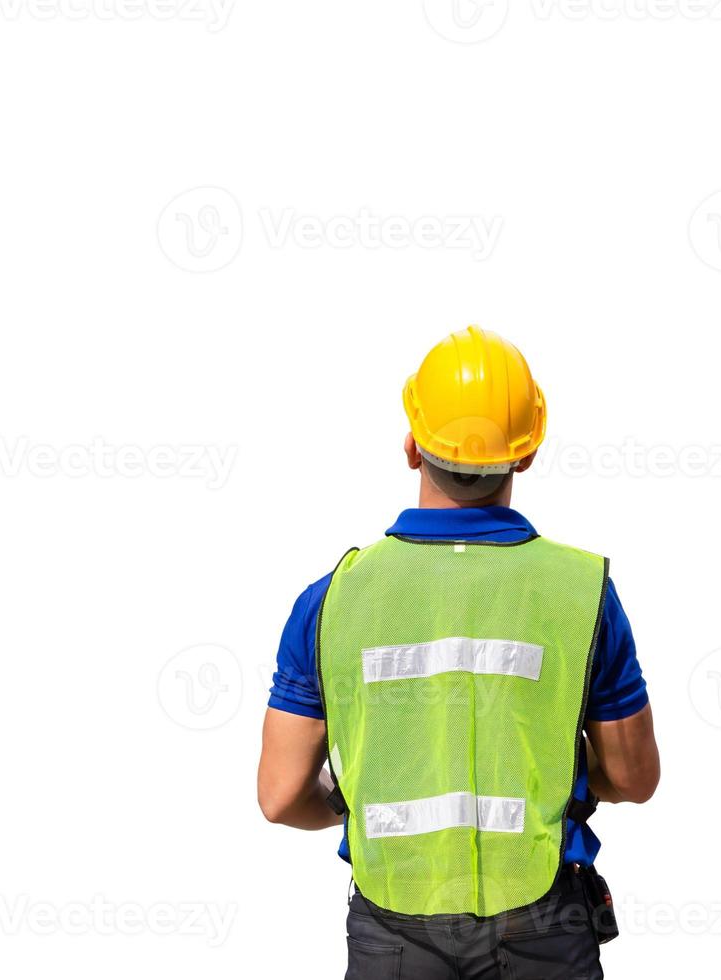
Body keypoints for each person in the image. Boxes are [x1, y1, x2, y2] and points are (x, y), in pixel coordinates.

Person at [257, 326, 660, 979]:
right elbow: (634, 778)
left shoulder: (331, 600)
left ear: (412, 445)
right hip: (543, 923)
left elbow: (279, 796)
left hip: (392, 926)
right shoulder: (584, 593)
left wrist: (369, 784)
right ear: (526, 454)